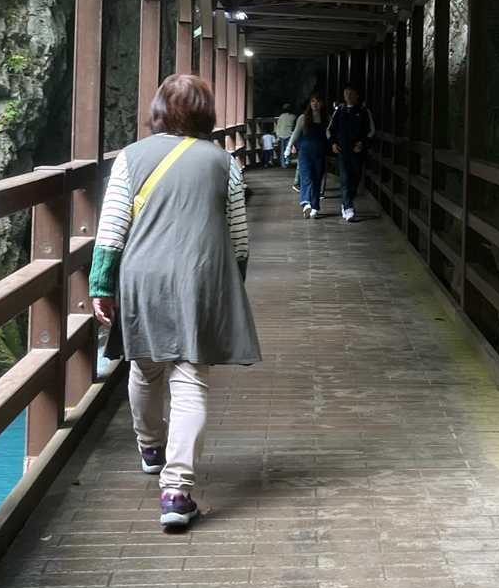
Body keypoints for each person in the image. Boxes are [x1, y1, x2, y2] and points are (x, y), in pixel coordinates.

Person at [89, 74, 260, 530]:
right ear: (207, 114)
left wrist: (101, 284)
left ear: (159, 111)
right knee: (190, 381)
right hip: (199, 279)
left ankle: (150, 447)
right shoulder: (224, 163)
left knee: (144, 366)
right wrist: (232, 287)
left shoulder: (130, 158)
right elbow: (238, 237)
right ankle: (176, 490)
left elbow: (112, 227)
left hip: (141, 278)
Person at [328, 85, 375, 222]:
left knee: (355, 178)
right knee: (345, 178)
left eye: (351, 93)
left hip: (357, 151)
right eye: (346, 93)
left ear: (356, 95)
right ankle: (349, 208)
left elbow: (371, 130)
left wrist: (362, 143)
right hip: (342, 151)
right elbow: (330, 129)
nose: (348, 96)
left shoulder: (364, 111)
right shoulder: (339, 111)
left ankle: (346, 203)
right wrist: (333, 143)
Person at [289, 92, 329, 219]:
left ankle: (315, 206)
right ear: (310, 103)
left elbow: (329, 134)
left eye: (318, 101)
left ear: (322, 103)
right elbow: (296, 133)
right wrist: (289, 147)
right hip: (305, 152)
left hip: (320, 152)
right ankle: (306, 203)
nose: (315, 104)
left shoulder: (326, 118)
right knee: (306, 177)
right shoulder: (303, 118)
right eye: (312, 101)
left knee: (317, 179)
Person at [274, 103, 297, 167]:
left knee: (282, 149)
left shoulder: (281, 116)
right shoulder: (293, 116)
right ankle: (287, 161)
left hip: (281, 134)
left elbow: (278, 126)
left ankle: (283, 163)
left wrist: (277, 135)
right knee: (288, 148)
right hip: (289, 134)